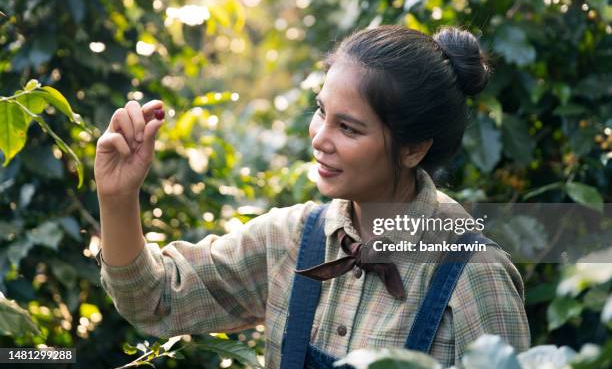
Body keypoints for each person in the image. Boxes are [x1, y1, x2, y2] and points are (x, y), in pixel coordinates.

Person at [94, 25, 530, 368]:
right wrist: (118, 196)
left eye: (349, 128)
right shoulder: (292, 239)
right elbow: (154, 300)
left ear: (415, 148)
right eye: (321, 112)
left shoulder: (473, 275)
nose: (320, 138)